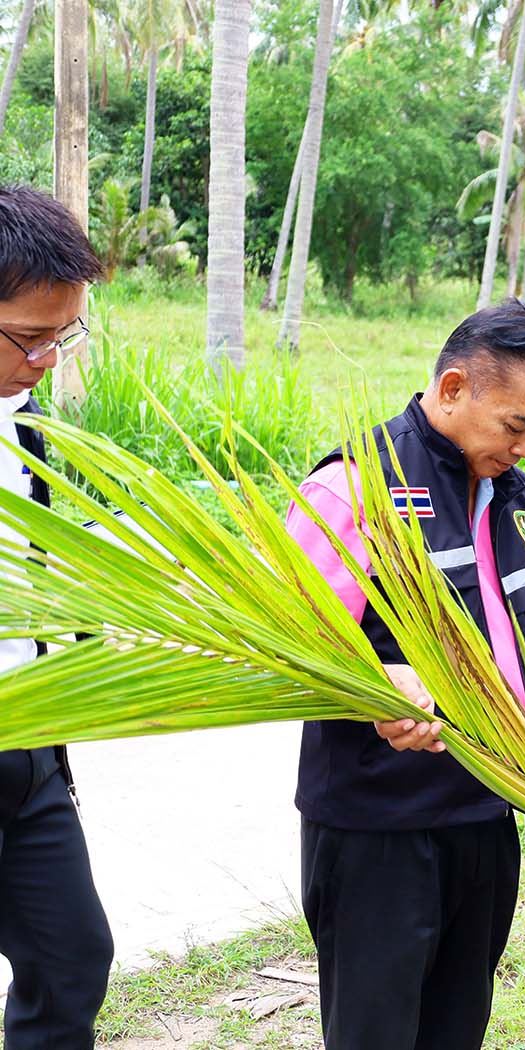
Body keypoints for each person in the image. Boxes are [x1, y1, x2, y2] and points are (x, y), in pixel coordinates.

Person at [285, 299, 525, 1050]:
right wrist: (379, 684)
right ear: (452, 389)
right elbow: (286, 648)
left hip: (486, 817)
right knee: (376, 1034)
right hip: (380, 830)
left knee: (457, 1027)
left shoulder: (512, 494)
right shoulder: (355, 487)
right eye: (517, 426)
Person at [0, 184, 115, 1049]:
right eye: (31, 338)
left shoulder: (30, 424)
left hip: (27, 744)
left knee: (73, 955)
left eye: (62, 336)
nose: (47, 359)